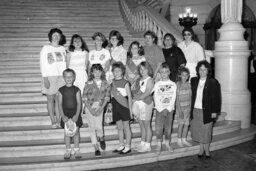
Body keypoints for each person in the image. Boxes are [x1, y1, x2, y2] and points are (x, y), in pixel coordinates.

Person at [190, 60, 221, 159]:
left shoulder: (213, 82)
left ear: (208, 71)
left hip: (207, 111)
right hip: (196, 110)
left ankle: (207, 150)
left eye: (205, 69)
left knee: (207, 131)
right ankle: (201, 149)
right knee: (199, 131)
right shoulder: (194, 80)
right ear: (198, 71)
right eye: (200, 69)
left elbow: (217, 98)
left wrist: (214, 112)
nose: (202, 72)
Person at [40, 28, 67, 129]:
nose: (56, 37)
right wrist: (45, 78)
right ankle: (53, 121)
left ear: (61, 37)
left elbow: (65, 64)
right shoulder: (46, 48)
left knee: (59, 100)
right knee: (50, 99)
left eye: (58, 35)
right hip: (50, 76)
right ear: (51, 36)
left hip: (61, 77)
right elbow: (42, 63)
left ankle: (59, 120)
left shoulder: (63, 49)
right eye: (54, 35)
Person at [83, 64, 111, 157]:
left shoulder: (105, 83)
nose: (97, 73)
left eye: (99, 71)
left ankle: (101, 138)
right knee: (92, 127)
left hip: (100, 106)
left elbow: (107, 98)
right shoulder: (88, 83)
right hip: (89, 107)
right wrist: (90, 109)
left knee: (99, 127)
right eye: (95, 71)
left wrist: (101, 108)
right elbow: (84, 98)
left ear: (102, 72)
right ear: (91, 73)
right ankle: (96, 147)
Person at [58, 68, 83, 159]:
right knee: (67, 133)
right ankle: (68, 150)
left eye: (70, 76)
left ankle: (76, 150)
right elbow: (59, 104)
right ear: (63, 78)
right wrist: (63, 116)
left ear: (74, 77)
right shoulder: (61, 90)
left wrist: (77, 115)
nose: (68, 78)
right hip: (65, 114)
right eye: (66, 76)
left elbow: (79, 103)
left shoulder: (77, 90)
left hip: (75, 114)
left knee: (76, 133)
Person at [153, 62, 177, 153]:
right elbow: (156, 98)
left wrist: (168, 108)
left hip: (169, 110)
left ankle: (167, 143)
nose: (164, 74)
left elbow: (173, 97)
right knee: (159, 127)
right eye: (162, 72)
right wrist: (161, 108)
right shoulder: (157, 84)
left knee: (168, 127)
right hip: (159, 109)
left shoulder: (173, 84)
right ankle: (159, 144)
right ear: (159, 73)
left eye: (166, 72)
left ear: (169, 72)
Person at [132, 61, 154, 152]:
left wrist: (136, 98)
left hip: (146, 103)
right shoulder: (138, 79)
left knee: (147, 125)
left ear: (148, 69)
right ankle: (142, 143)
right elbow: (133, 89)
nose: (142, 71)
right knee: (141, 125)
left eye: (144, 69)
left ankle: (148, 145)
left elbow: (147, 92)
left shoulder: (150, 79)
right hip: (138, 104)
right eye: (140, 69)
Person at [111, 62, 133, 154]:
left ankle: (127, 146)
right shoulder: (111, 82)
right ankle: (121, 145)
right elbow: (112, 96)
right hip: (115, 107)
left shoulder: (125, 82)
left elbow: (130, 97)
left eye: (118, 70)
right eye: (114, 71)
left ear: (122, 71)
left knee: (126, 127)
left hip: (124, 107)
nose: (116, 72)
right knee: (119, 127)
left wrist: (131, 111)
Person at [176, 66, 192, 147]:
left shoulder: (189, 85)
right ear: (179, 75)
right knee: (181, 124)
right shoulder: (178, 85)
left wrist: (190, 108)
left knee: (186, 124)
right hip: (180, 109)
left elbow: (190, 97)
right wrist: (179, 110)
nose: (184, 77)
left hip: (187, 108)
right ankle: (179, 140)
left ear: (188, 76)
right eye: (183, 75)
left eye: (186, 75)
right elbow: (177, 99)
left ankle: (184, 139)